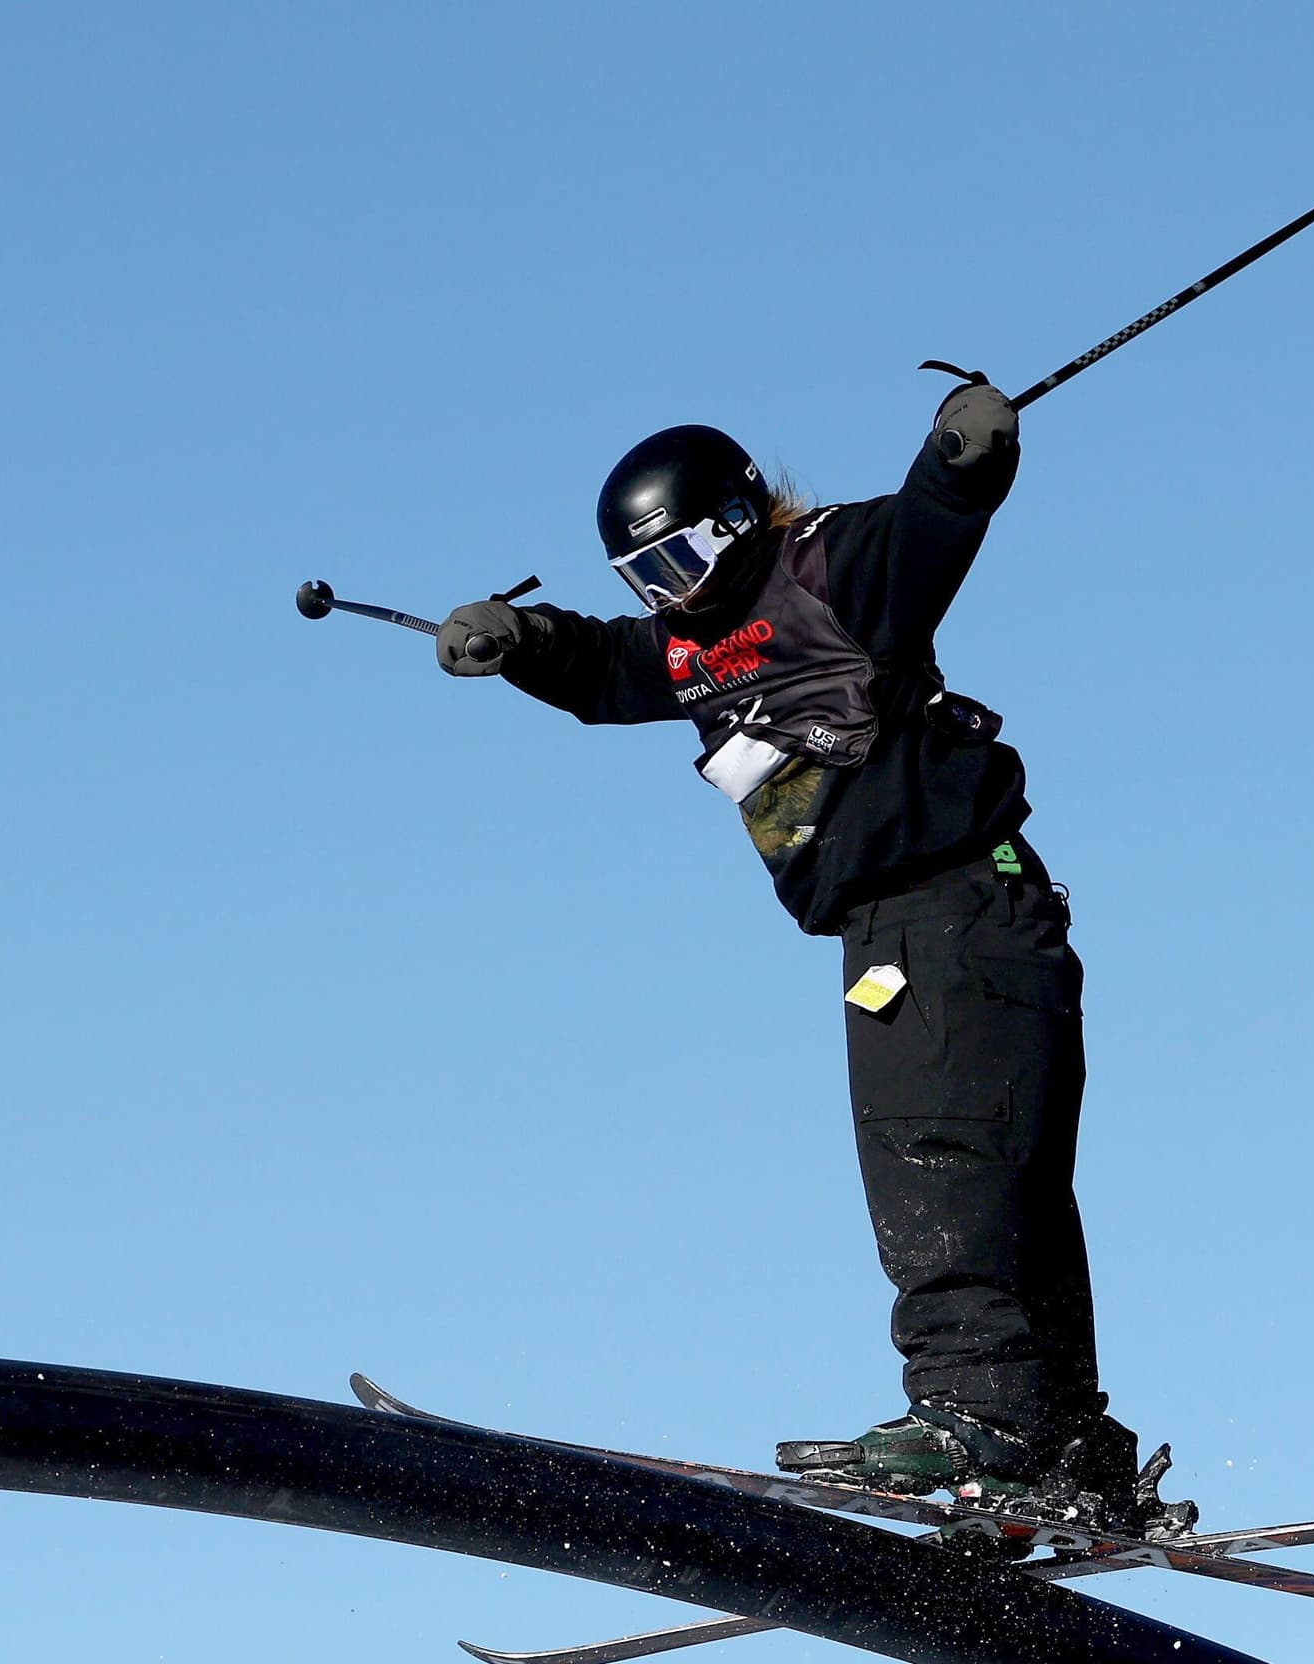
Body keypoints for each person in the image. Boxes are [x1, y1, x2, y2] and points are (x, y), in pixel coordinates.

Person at [430, 382, 1176, 1530]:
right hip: (971, 923)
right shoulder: (689, 649)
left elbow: (931, 525)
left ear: (733, 521)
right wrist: (521, 640)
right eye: (644, 580)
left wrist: (965, 454)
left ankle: (977, 1417)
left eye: (679, 562)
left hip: (940, 916)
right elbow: (604, 669)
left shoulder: (830, 570)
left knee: (935, 1156)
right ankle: (1064, 1444)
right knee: (1008, 1187)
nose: (670, 596)